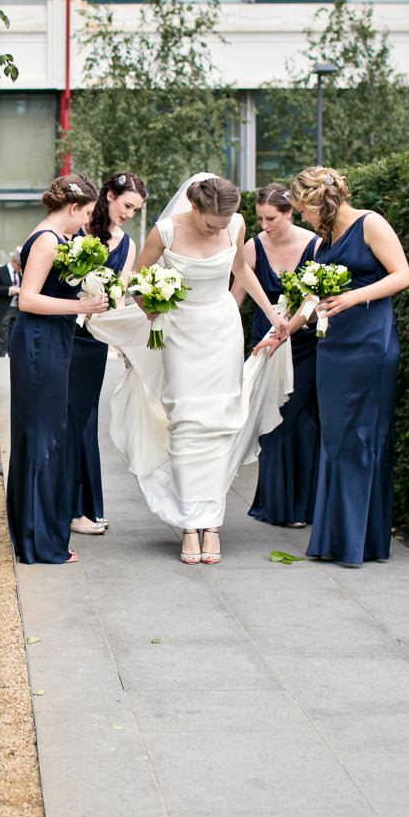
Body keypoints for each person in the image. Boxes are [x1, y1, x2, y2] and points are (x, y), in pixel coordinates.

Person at [87, 174, 291, 566]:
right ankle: (188, 524)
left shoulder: (235, 223)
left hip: (221, 330)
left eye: (225, 223)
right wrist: (149, 303)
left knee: (220, 422)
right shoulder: (164, 231)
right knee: (186, 421)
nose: (220, 229)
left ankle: (210, 524)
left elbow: (241, 271)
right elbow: (135, 281)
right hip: (180, 332)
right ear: (194, 207)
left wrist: (270, 315)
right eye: (212, 223)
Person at [288, 166, 409, 567]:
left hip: (369, 343)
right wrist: (282, 332)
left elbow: (402, 275)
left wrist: (355, 297)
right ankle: (336, 537)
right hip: (332, 346)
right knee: (336, 437)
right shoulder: (322, 243)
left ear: (315, 203)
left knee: (361, 436)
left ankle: (358, 541)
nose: (301, 219)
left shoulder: (370, 223)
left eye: (301, 211)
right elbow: (311, 301)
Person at [6, 174, 107, 565]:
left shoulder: (60, 239)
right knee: (43, 435)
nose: (85, 222)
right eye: (84, 213)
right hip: (38, 342)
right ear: (71, 208)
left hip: (53, 339)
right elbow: (29, 299)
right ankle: (37, 541)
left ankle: (44, 533)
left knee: (51, 433)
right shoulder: (47, 239)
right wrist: (81, 307)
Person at [231, 183, 320, 529]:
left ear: (289, 213)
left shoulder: (315, 245)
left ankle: (304, 506)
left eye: (271, 218)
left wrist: (295, 324)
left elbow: (317, 299)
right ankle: (274, 503)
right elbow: (235, 299)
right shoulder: (253, 248)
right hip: (265, 342)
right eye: (260, 219)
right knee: (273, 420)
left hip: (305, 345)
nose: (264, 225)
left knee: (302, 419)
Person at [65, 172, 147, 536]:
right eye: (127, 205)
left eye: (136, 209)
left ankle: (84, 506)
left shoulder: (127, 245)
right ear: (109, 196)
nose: (129, 213)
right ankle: (63, 506)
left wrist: (127, 346)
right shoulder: (75, 231)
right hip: (63, 330)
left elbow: (120, 299)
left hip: (93, 342)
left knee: (83, 418)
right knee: (61, 419)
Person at [0, 250, 22, 357]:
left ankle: (13, 364)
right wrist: (9, 290)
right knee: (2, 338)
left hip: (16, 310)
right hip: (3, 309)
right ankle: (0, 365)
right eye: (19, 265)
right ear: (13, 261)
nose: (20, 268)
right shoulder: (0, 271)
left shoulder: (19, 275)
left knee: (14, 338)